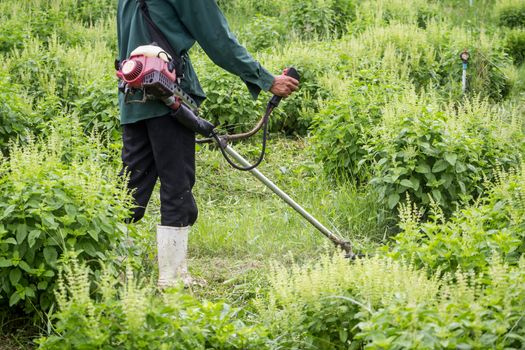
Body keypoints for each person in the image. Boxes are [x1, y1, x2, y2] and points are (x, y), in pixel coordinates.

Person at [117, 0, 299, 287]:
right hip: (167, 100)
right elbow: (217, 38)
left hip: (132, 99)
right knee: (176, 188)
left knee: (128, 193)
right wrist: (266, 80)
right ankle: (173, 280)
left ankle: (110, 272)